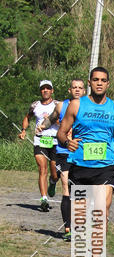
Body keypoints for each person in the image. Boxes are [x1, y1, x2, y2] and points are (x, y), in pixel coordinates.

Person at [57, 66, 114, 218]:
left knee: (101, 210)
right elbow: (61, 132)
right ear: (89, 83)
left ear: (108, 84)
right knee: (81, 219)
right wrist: (67, 143)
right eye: (95, 80)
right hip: (80, 165)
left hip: (105, 167)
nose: (99, 83)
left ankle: (98, 241)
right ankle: (83, 238)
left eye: (103, 80)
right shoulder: (76, 105)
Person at [36, 78, 86, 240]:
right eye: (74, 88)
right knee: (65, 186)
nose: (77, 90)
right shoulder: (61, 106)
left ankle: (80, 225)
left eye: (80, 88)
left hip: (84, 153)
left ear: (84, 91)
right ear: (69, 90)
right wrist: (42, 126)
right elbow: (51, 119)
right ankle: (68, 229)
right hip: (63, 151)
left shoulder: (90, 106)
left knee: (80, 190)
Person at [18, 80, 59, 212]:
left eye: (48, 88)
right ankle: (44, 199)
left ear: (52, 90)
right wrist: (23, 130)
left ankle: (52, 183)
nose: (45, 90)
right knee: (42, 169)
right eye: (43, 88)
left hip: (55, 141)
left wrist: (56, 121)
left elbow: (66, 120)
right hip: (40, 140)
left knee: (54, 173)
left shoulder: (58, 105)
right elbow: (27, 117)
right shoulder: (35, 105)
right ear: (40, 91)